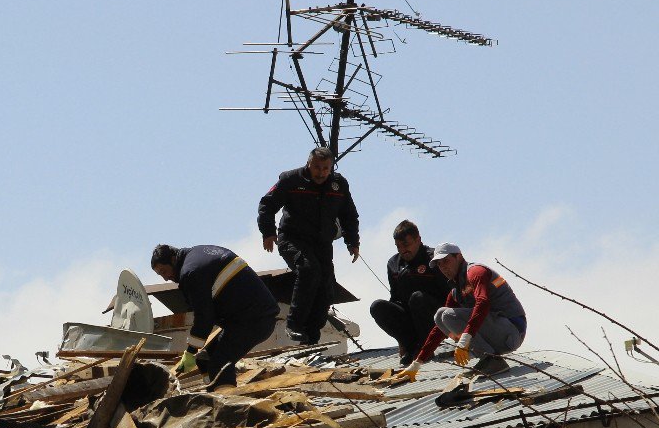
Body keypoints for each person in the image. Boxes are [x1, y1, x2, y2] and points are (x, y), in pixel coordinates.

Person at [258, 146, 360, 345]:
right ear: (309, 164)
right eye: (317, 167)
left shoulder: (338, 185)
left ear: (331, 168)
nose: (321, 172)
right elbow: (267, 205)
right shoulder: (291, 180)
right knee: (308, 269)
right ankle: (294, 324)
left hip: (322, 243)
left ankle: (311, 336)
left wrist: (352, 241)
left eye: (325, 168)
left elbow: (349, 215)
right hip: (292, 239)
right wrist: (268, 232)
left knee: (327, 287)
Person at [151, 244, 280, 389]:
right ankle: (213, 392)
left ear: (173, 260)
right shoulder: (198, 254)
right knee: (205, 358)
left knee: (220, 363)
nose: (165, 278)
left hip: (255, 319)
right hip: (249, 316)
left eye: (164, 271)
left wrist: (191, 351)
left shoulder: (190, 272)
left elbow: (204, 317)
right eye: (160, 275)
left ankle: (228, 404)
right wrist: (194, 353)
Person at [397, 244, 527, 379]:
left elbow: (483, 303)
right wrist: (417, 363)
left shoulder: (475, 271)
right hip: (498, 334)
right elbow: (439, 328)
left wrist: (464, 339)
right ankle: (488, 359)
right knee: (440, 316)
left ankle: (492, 361)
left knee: (446, 314)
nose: (443, 268)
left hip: (512, 331)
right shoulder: (455, 290)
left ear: (458, 257)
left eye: (446, 261)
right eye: (439, 265)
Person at [369, 220, 451, 366]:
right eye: (398, 246)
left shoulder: (434, 259)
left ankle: (426, 346)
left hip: (435, 316)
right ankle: (410, 347)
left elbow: (450, 292)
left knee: (417, 298)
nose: (402, 250)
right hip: (409, 319)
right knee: (378, 306)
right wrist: (401, 342)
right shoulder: (394, 264)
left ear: (418, 239)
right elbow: (395, 298)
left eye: (406, 245)